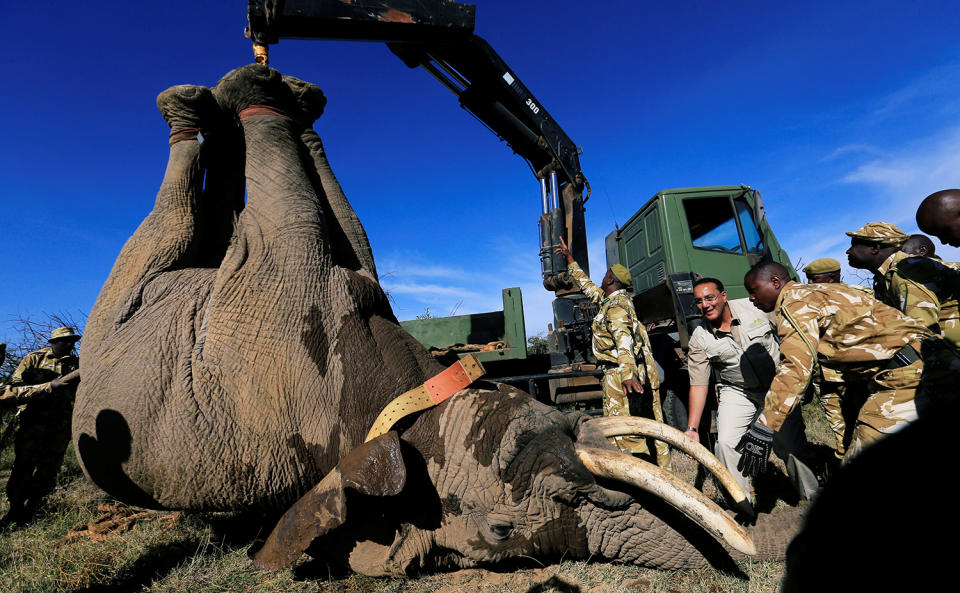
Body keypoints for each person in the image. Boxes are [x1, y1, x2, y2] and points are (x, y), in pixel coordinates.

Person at [736, 262, 934, 478]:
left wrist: (764, 427)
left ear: (775, 282)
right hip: (930, 359)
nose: (751, 299)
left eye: (753, 291)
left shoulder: (794, 304)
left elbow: (795, 367)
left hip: (905, 374)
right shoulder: (823, 290)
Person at [684, 278, 818, 505]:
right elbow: (698, 384)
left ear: (723, 296)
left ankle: (812, 498)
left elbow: (792, 335)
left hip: (776, 387)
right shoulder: (699, 337)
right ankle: (741, 503)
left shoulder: (755, 307)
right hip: (737, 391)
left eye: (710, 298)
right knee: (726, 443)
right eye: (699, 301)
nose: (705, 305)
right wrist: (692, 428)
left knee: (791, 445)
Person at [555, 238, 670, 468]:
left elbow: (623, 343)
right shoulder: (613, 301)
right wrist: (569, 259)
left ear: (610, 279)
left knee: (626, 434)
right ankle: (658, 471)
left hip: (620, 376)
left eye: (605, 273)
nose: (602, 276)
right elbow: (588, 288)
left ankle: (638, 477)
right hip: (621, 372)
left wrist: (627, 374)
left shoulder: (616, 308)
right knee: (640, 427)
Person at [0, 327, 81, 529]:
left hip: (60, 423)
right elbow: (15, 386)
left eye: (73, 341)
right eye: (66, 341)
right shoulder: (33, 358)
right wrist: (43, 384)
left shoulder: (76, 363)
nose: (71, 344)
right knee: (24, 465)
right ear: (55, 341)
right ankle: (15, 509)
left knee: (49, 468)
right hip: (32, 422)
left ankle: (34, 509)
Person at [847, 222, 960, 348]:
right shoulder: (884, 278)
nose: (848, 251)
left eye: (854, 245)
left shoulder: (906, 270)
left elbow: (923, 334)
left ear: (875, 248)